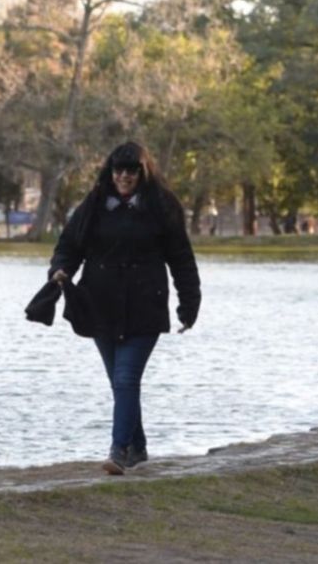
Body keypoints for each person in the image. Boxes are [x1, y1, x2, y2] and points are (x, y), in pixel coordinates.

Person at [48, 141, 201, 475]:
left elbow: (182, 260)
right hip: (100, 304)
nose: (124, 177)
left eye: (132, 170)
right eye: (119, 170)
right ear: (110, 171)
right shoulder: (94, 205)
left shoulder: (162, 206)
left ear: (143, 172)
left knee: (126, 378)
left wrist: (189, 304)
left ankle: (118, 452)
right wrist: (60, 271)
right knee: (120, 383)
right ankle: (139, 447)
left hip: (145, 306)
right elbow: (69, 246)